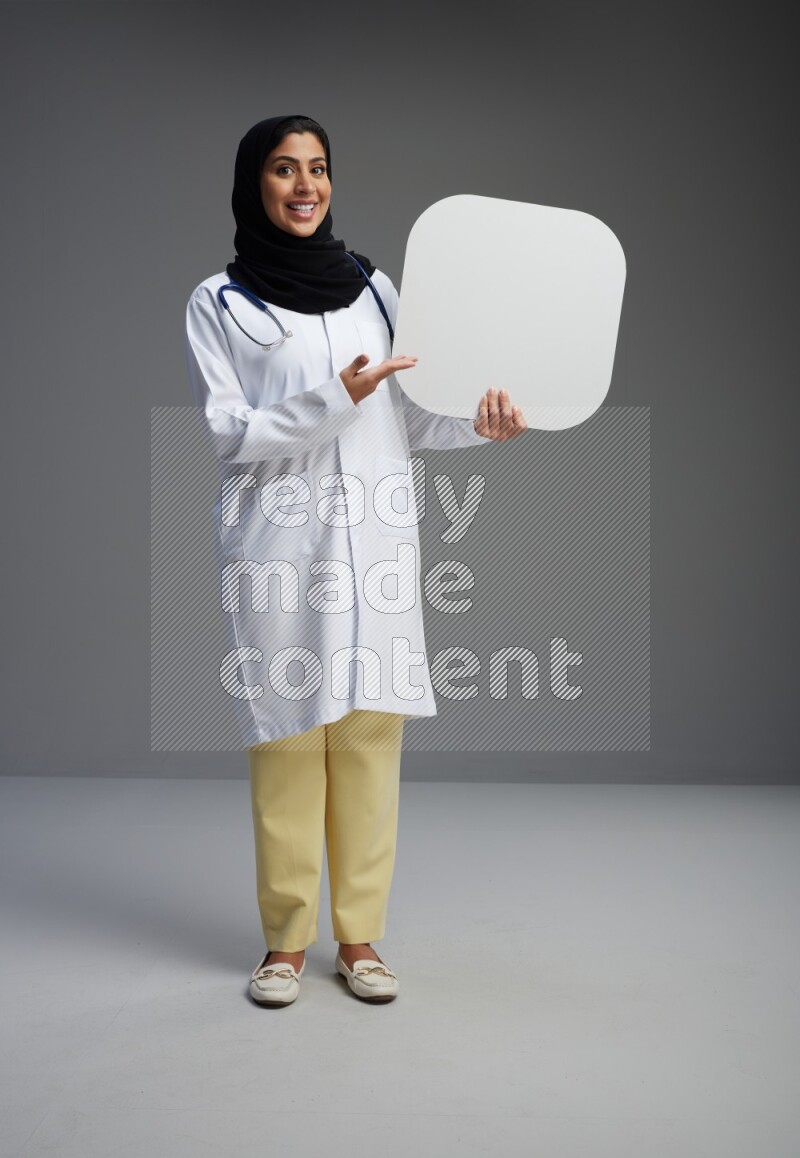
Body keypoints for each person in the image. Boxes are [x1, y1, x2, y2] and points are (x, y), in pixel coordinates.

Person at [185, 115, 526, 1007]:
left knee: (372, 739)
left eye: (319, 169)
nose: (306, 186)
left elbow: (409, 414)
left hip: (374, 542)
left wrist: (476, 426)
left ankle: (360, 937)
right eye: (285, 169)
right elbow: (233, 434)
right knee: (290, 740)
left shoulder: (375, 288)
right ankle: (285, 944)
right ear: (253, 185)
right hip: (282, 547)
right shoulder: (220, 303)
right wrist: (333, 397)